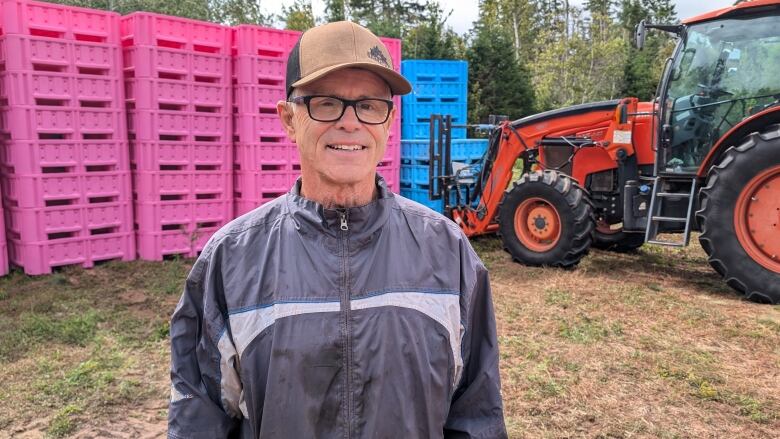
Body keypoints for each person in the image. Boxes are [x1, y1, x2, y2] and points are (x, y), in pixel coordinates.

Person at [168, 21, 507, 439]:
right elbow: (199, 417)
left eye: (369, 105)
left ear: (388, 122)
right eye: (326, 103)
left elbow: (476, 415)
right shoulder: (231, 259)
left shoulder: (448, 252)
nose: (351, 123)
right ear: (289, 119)